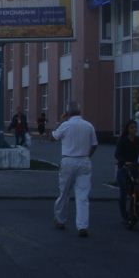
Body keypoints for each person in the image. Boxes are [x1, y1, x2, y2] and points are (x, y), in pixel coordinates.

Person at [51, 101, 98, 237]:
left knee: (64, 192)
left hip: (68, 160)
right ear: (80, 111)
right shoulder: (88, 125)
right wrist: (87, 155)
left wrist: (61, 121)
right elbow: (95, 144)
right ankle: (82, 226)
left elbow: (52, 138)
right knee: (83, 195)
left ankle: (60, 219)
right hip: (84, 161)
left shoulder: (65, 125)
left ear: (68, 113)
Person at [114, 120, 139, 223]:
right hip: (124, 169)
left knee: (137, 190)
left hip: (135, 168)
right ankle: (124, 215)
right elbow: (117, 154)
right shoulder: (123, 140)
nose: (134, 129)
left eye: (135, 127)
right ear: (128, 129)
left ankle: (135, 211)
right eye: (132, 127)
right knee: (124, 192)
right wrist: (124, 162)